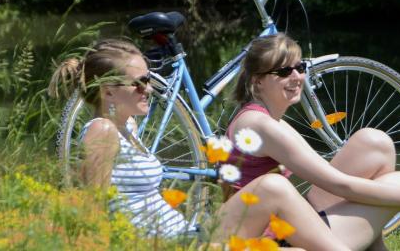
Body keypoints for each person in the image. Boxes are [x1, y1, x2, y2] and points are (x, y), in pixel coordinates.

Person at [49, 38, 351, 250]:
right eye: (137, 83)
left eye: (148, 79)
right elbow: (93, 210)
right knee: (274, 188)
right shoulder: (101, 130)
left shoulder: (127, 126)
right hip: (173, 245)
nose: (148, 88)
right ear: (108, 93)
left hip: (187, 235)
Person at [223, 32, 400, 251]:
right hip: (274, 239)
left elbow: (324, 174)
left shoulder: (267, 120)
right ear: (258, 82)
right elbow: (339, 184)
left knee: (374, 143)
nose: (297, 77)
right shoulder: (261, 126)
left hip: (285, 220)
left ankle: (374, 245)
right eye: (284, 72)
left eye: (300, 67)